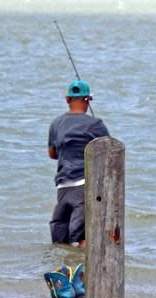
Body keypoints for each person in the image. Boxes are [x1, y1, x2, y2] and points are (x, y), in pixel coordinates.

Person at [48, 80, 110, 248]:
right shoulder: (96, 125)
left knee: (61, 236)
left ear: (67, 100)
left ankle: (65, 269)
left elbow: (52, 154)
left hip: (62, 185)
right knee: (83, 236)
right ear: (88, 100)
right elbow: (109, 151)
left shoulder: (56, 124)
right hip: (84, 185)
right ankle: (85, 270)